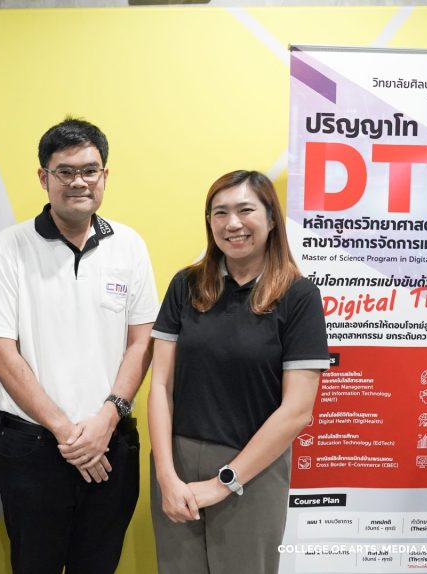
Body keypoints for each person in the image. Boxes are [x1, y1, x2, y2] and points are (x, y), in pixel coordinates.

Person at [0, 117, 159, 574]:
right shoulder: (12, 245)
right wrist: (66, 433)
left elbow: (142, 342)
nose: (79, 181)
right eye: (65, 171)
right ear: (44, 177)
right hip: (32, 445)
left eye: (90, 170)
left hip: (110, 442)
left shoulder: (129, 246)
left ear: (104, 175)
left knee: (100, 565)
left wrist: (106, 420)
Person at [148, 170, 330, 573]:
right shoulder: (186, 285)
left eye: (245, 210)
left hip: (253, 470)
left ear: (271, 218)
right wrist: (165, 475)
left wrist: (224, 482)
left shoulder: (298, 296)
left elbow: (297, 410)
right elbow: (160, 384)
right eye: (220, 212)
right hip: (177, 465)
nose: (232, 224)